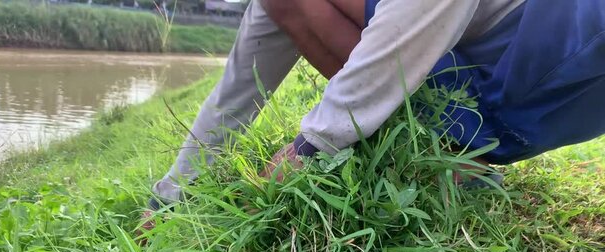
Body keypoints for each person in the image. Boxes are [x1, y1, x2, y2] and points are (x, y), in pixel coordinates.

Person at [147, 0, 605, 213]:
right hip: (515, 89)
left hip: (558, 70)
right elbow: (244, 72)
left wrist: (311, 147)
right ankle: (451, 160)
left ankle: (455, 157)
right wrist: (172, 192)